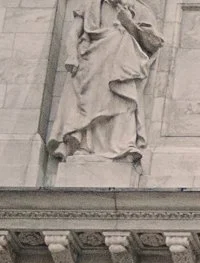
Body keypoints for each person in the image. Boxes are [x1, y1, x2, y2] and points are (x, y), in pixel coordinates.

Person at [50, 0, 163, 162]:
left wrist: (129, 23)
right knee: (88, 101)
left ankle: (123, 144)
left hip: (122, 67)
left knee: (124, 97)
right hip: (91, 62)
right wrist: (72, 55)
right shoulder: (90, 5)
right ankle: (85, 145)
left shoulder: (139, 9)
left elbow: (153, 42)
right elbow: (73, 33)